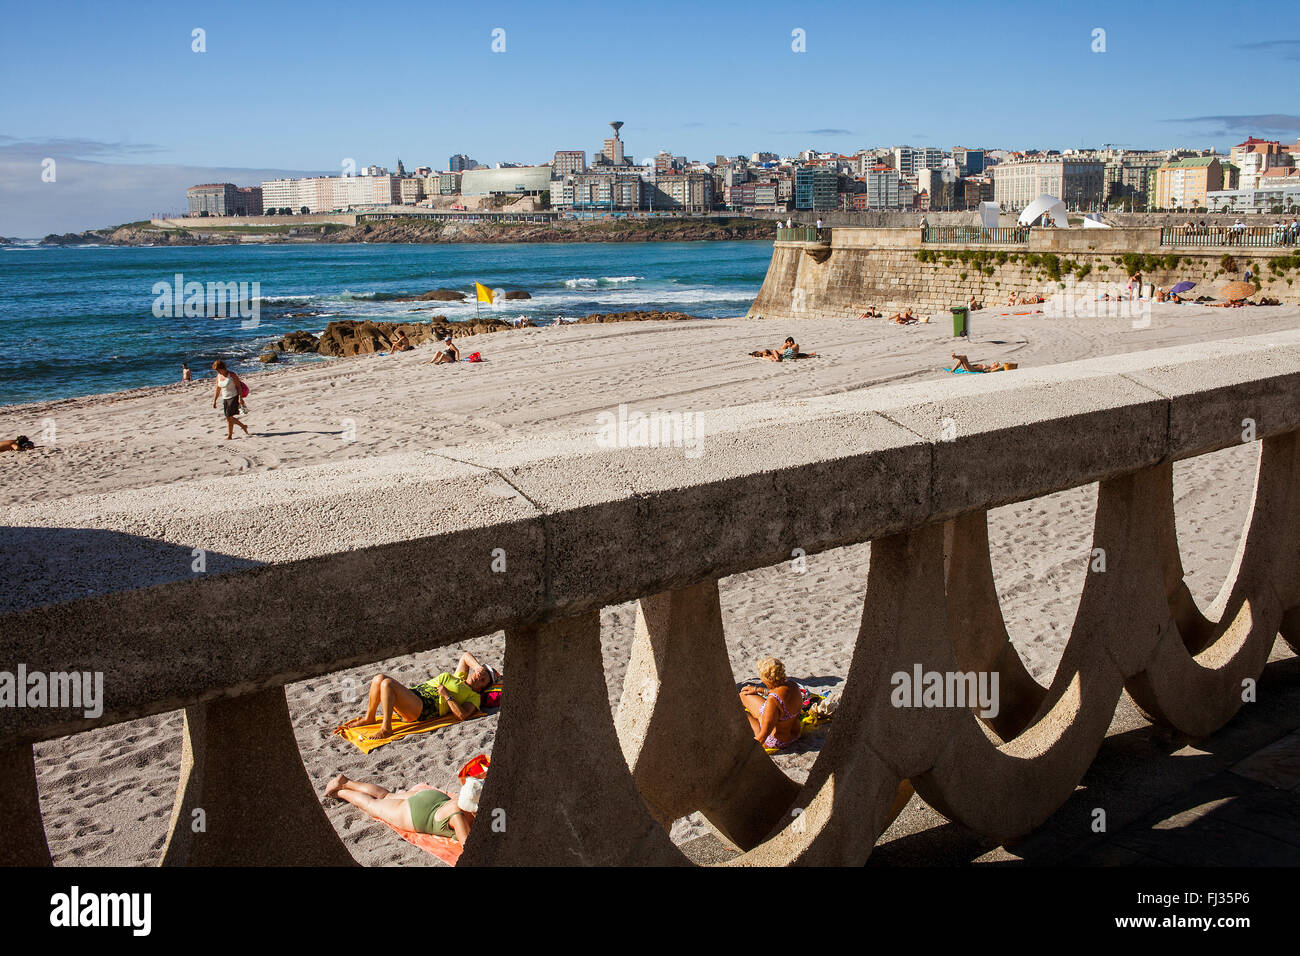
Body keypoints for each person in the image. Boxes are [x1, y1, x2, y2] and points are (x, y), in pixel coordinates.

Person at [338, 651, 501, 741]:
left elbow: (462, 716)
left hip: (424, 707)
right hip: (415, 695)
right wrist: (479, 667)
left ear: (482, 688)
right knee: (379, 678)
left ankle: (386, 728)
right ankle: (370, 717)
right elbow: (465, 656)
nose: (478, 676)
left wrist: (447, 696)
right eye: (479, 674)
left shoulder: (474, 697)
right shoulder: (460, 677)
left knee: (386, 684)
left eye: (483, 679)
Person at [325, 773, 481, 844]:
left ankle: (347, 782)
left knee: (387, 796)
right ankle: (341, 791)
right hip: (417, 813)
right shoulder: (457, 816)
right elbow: (469, 846)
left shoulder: (462, 801)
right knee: (372, 805)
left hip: (434, 798)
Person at [740, 658, 802, 751]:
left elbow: (763, 736)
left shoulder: (772, 700)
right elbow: (780, 694)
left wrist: (743, 754)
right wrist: (757, 689)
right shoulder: (793, 685)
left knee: (739, 714)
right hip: (795, 733)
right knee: (743, 695)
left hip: (776, 741)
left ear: (769, 679)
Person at [211, 361, 249, 441]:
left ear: (222, 368)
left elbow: (239, 387)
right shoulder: (218, 376)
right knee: (229, 418)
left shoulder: (231, 375)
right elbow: (218, 389)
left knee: (228, 417)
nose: (217, 372)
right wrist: (214, 400)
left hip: (233, 397)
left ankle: (235, 431)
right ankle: (233, 433)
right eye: (216, 370)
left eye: (218, 370)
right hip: (225, 398)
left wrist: (240, 398)